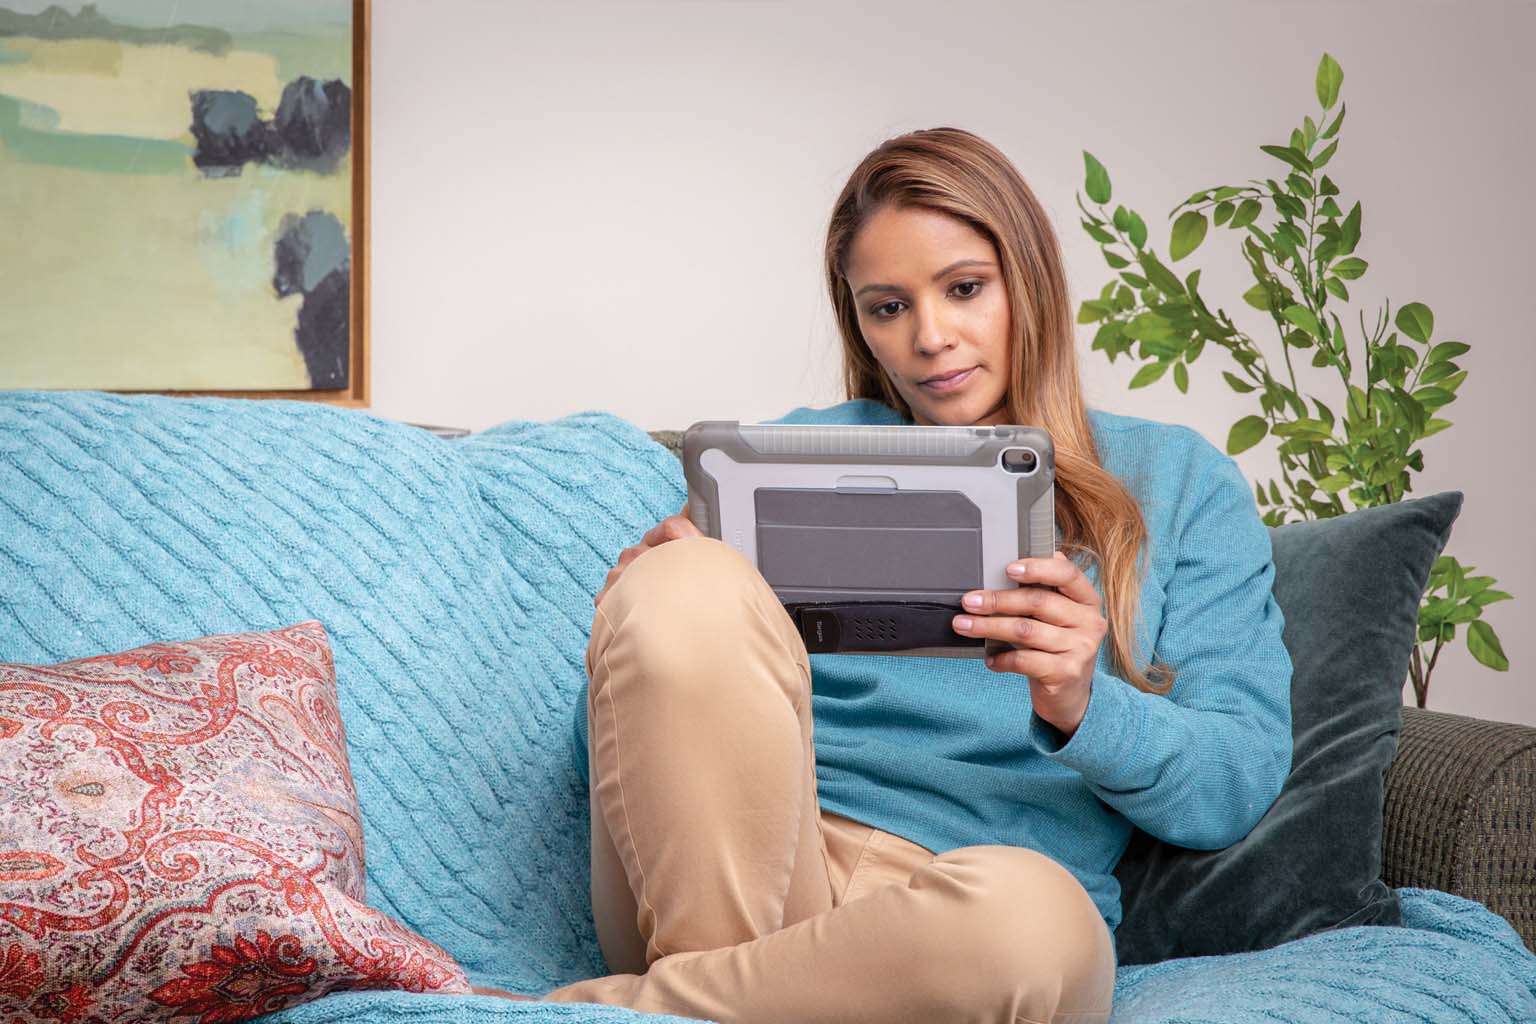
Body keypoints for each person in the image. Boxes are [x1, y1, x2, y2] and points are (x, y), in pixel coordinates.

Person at [492, 127, 1294, 1023]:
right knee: (679, 587)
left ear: (1027, 277)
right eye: (887, 307)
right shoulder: (782, 462)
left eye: (963, 289)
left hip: (956, 921)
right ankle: (704, 991)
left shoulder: (1180, 483)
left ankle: (608, 1010)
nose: (931, 338)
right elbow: (618, 779)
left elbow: (1236, 780)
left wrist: (1081, 700)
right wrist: (635, 628)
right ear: (861, 326)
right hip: (746, 874)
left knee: (1033, 925)